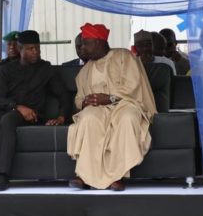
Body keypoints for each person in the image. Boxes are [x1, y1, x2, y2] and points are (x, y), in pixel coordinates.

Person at [0, 30, 70, 192]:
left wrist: (61, 117)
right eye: (31, 49)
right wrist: (17, 106)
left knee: (7, 121)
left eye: (37, 48)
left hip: (32, 114)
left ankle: (3, 175)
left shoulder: (46, 69)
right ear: (21, 49)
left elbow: (63, 95)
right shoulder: (4, 70)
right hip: (6, 108)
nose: (36, 52)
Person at [67, 23, 157, 191]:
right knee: (88, 118)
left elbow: (134, 88)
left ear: (99, 42)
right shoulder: (85, 70)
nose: (82, 48)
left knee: (127, 118)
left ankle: (118, 176)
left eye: (86, 43)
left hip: (125, 104)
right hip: (98, 109)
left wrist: (110, 98)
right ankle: (86, 175)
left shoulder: (124, 56)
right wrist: (86, 102)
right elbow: (78, 100)